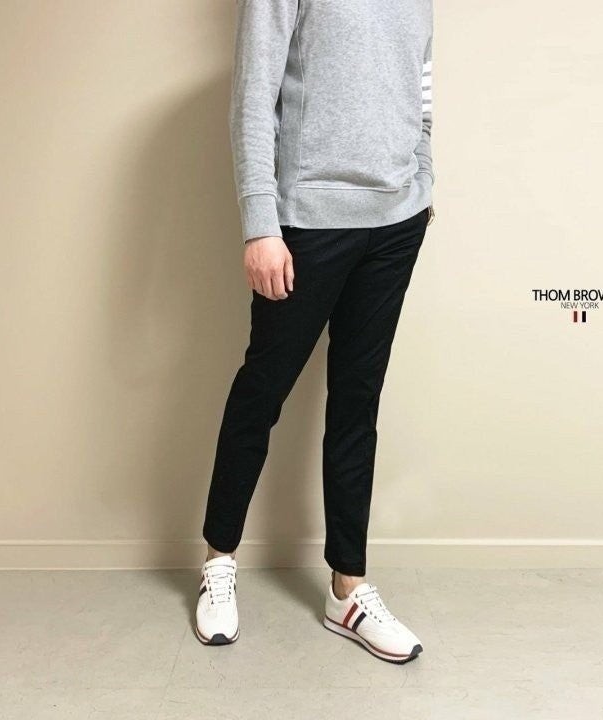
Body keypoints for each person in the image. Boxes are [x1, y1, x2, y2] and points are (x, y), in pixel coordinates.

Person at [196, 0, 435, 665]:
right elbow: (253, 98)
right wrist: (260, 225)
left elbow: (420, 90)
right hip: (307, 222)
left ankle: (348, 591)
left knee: (358, 404)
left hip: (397, 224)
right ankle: (218, 562)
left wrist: (423, 182)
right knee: (261, 393)